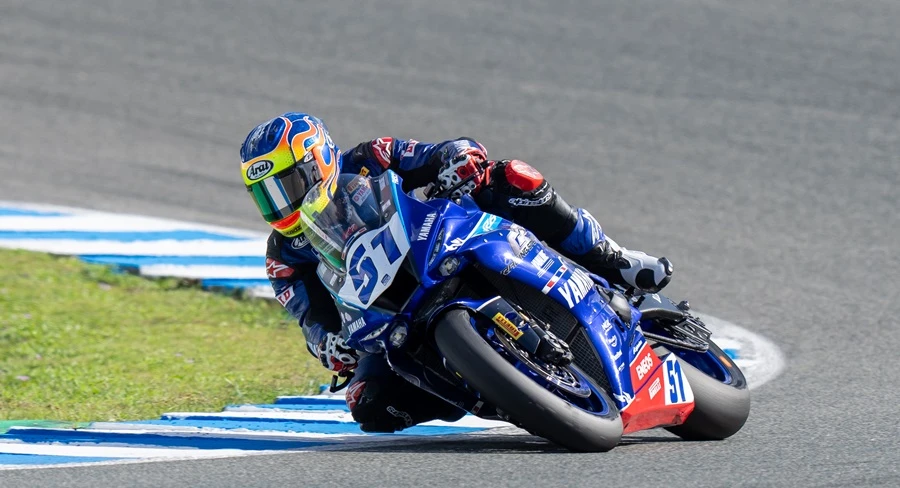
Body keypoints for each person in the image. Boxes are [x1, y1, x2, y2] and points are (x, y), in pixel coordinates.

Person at [240, 112, 673, 432]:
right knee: (369, 406)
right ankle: (500, 392)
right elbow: (311, 318)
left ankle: (614, 260)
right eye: (265, 195)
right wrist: (326, 344)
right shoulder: (283, 257)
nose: (280, 204)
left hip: (439, 238)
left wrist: (459, 160)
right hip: (384, 312)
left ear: (317, 161)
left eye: (286, 185)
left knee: (510, 178)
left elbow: (437, 153)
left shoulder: (371, 157)